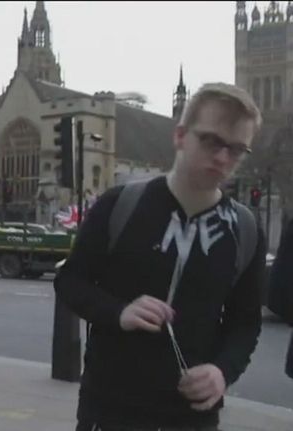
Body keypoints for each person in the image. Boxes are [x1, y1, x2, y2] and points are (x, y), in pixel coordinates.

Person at [53, 83, 266, 431]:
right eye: (211, 141)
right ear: (180, 135)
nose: (223, 158)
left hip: (192, 418)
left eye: (237, 149)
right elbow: (70, 281)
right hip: (110, 410)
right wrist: (119, 312)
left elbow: (245, 323)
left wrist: (222, 372)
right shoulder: (119, 205)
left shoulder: (245, 229)